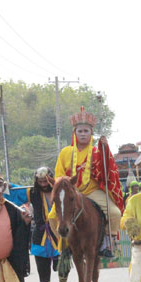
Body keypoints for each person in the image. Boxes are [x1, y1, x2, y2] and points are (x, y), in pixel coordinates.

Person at [49, 107, 124, 258]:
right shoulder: (65, 152)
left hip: (92, 192)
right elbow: (59, 176)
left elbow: (108, 170)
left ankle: (107, 243)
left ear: (91, 134)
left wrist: (105, 149)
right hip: (71, 193)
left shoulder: (97, 151)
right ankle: (64, 245)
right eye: (80, 131)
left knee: (115, 213)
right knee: (52, 216)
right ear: (74, 133)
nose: (83, 134)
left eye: (86, 131)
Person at [21, 167, 71, 282]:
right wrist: (5, 187)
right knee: (43, 272)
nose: (43, 183)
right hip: (40, 236)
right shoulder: (32, 192)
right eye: (40, 181)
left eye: (45, 180)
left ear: (50, 178)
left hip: (59, 234)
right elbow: (14, 193)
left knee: (63, 268)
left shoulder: (60, 190)